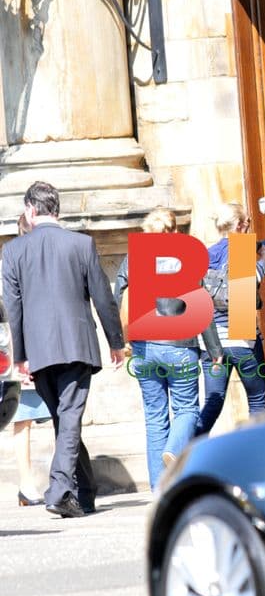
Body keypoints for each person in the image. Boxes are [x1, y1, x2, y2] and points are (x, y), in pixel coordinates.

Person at [2, 181, 125, 518]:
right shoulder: (81, 244)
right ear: (57, 209)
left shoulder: (12, 251)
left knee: (65, 418)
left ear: (30, 209)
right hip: (75, 345)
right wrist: (117, 342)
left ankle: (84, 492)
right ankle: (60, 491)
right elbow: (103, 296)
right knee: (68, 418)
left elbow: (12, 308)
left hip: (39, 351)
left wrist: (19, 357)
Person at [114, 207, 223, 489]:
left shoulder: (134, 257)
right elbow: (202, 305)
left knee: (154, 416)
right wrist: (214, 351)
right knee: (186, 408)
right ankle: (174, 449)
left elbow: (119, 299)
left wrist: (120, 340)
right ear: (174, 230)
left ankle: (157, 488)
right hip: (179, 344)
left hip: (144, 345)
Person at [197, 202, 265, 435]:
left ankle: (185, 448)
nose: (248, 227)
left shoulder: (206, 255)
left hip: (211, 343)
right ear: (239, 225)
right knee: (257, 401)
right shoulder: (240, 247)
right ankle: (259, 459)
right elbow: (245, 292)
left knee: (213, 402)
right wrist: (263, 262)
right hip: (240, 339)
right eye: (247, 222)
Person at [11, 213, 52, 507]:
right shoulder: (23, 262)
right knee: (26, 416)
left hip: (23, 348)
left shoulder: (11, 259)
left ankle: (31, 483)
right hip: (28, 348)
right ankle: (30, 484)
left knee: (24, 419)